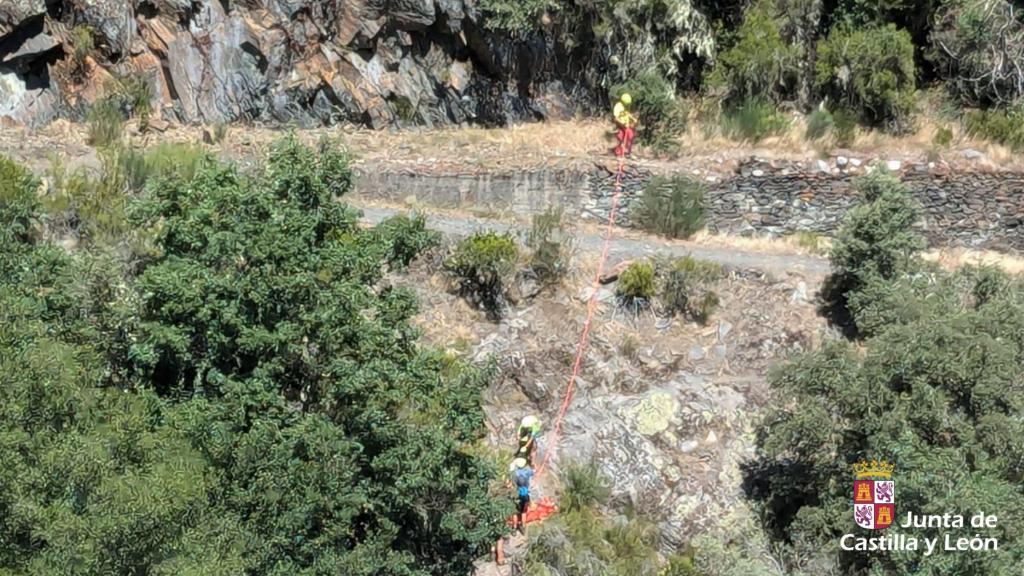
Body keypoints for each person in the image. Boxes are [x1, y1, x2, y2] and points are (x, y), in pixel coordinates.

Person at [510, 457, 534, 533]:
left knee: (514, 512)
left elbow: (511, 484)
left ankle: (514, 527)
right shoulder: (527, 472)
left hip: (516, 495)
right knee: (523, 512)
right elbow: (532, 471)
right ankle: (523, 527)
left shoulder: (514, 474)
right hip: (525, 495)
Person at [613, 93, 637, 158]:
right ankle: (618, 152)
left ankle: (628, 152)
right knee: (621, 138)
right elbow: (616, 118)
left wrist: (633, 118)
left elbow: (627, 114)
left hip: (626, 125)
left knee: (630, 136)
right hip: (620, 126)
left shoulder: (626, 106)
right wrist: (622, 124)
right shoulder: (618, 107)